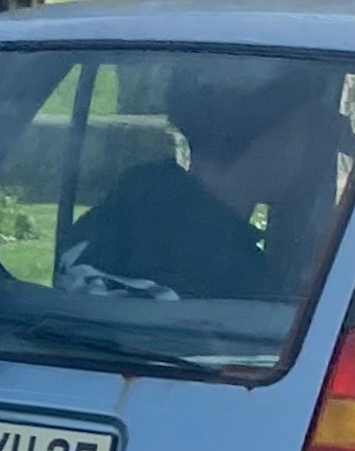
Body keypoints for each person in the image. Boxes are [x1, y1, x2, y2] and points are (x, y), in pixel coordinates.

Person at [59, 58, 333, 301]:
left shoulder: (117, 213)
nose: (312, 150)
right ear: (274, 140)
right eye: (305, 132)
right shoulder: (239, 279)